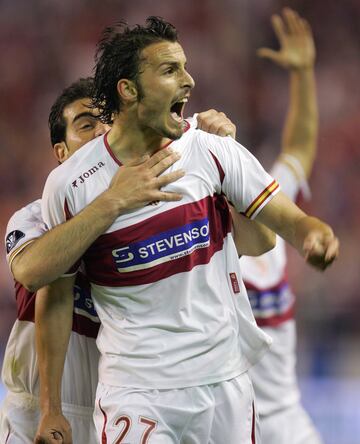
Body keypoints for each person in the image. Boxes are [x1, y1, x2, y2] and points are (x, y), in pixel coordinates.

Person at [39, 17, 338, 444]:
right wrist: (51, 407)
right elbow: (50, 287)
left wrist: (314, 234)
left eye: (185, 67)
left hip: (225, 387)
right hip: (137, 395)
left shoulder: (212, 151)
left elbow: (287, 220)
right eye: (170, 70)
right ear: (128, 90)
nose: (190, 81)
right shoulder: (71, 186)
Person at [1, 77, 271, 443]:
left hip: (121, 401)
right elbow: (31, 273)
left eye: (106, 121)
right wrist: (110, 202)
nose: (100, 131)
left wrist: (228, 163)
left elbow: (258, 242)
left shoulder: (164, 211)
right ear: (62, 154)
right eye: (85, 124)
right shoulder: (35, 218)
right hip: (40, 408)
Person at [242, 9, 323, 443]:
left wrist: (304, 75)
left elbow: (299, 147)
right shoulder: (186, 240)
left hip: (288, 429)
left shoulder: (268, 208)